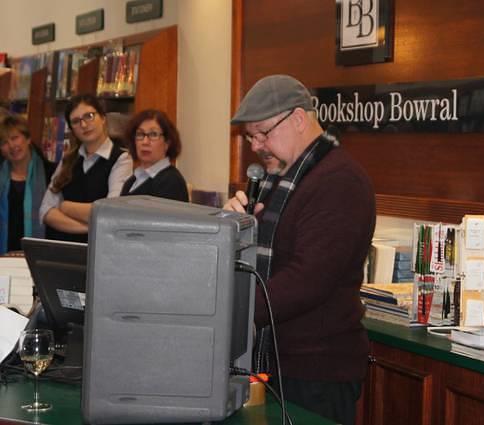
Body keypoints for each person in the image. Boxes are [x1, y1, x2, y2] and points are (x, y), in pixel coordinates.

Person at [224, 75, 375, 425]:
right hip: (273, 362)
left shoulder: (340, 181)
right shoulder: (281, 179)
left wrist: (230, 309)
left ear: (297, 119)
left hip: (316, 372)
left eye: (263, 133)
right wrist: (232, 231)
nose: (256, 146)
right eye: (250, 137)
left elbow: (307, 280)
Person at [40, 94, 132, 242]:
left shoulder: (122, 159)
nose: (83, 125)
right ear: (72, 129)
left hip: (98, 250)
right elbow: (46, 211)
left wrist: (65, 206)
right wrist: (88, 228)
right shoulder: (68, 160)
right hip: (62, 247)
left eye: (89, 116)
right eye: (76, 121)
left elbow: (109, 212)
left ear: (103, 118)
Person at [0, 114, 55, 253]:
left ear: (28, 139)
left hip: (40, 254)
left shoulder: (51, 173)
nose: (11, 146)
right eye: (4, 142)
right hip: (3, 255)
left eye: (15, 138)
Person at [120, 109, 189, 202]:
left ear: (167, 142)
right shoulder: (131, 182)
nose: (145, 142)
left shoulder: (172, 181)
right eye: (140, 134)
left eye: (153, 134)